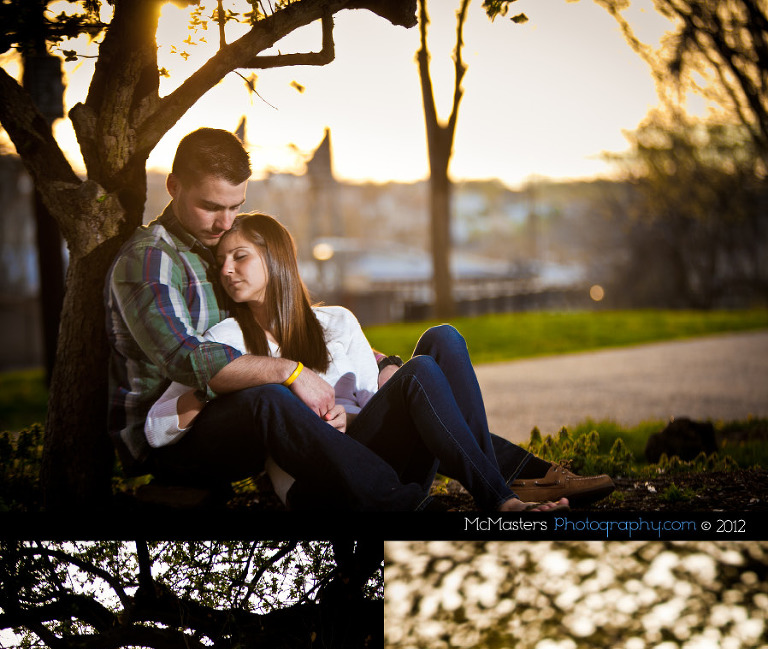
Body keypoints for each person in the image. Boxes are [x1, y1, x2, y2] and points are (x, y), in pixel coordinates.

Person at [106, 126, 613, 512]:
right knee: (270, 394)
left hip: (264, 404)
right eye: (210, 207)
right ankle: (413, 499)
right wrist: (291, 373)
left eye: (235, 208)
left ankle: (512, 482)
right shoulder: (152, 260)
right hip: (178, 434)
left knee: (436, 346)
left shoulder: (223, 244)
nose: (225, 225)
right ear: (172, 187)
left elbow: (298, 326)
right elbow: (187, 360)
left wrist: (382, 368)